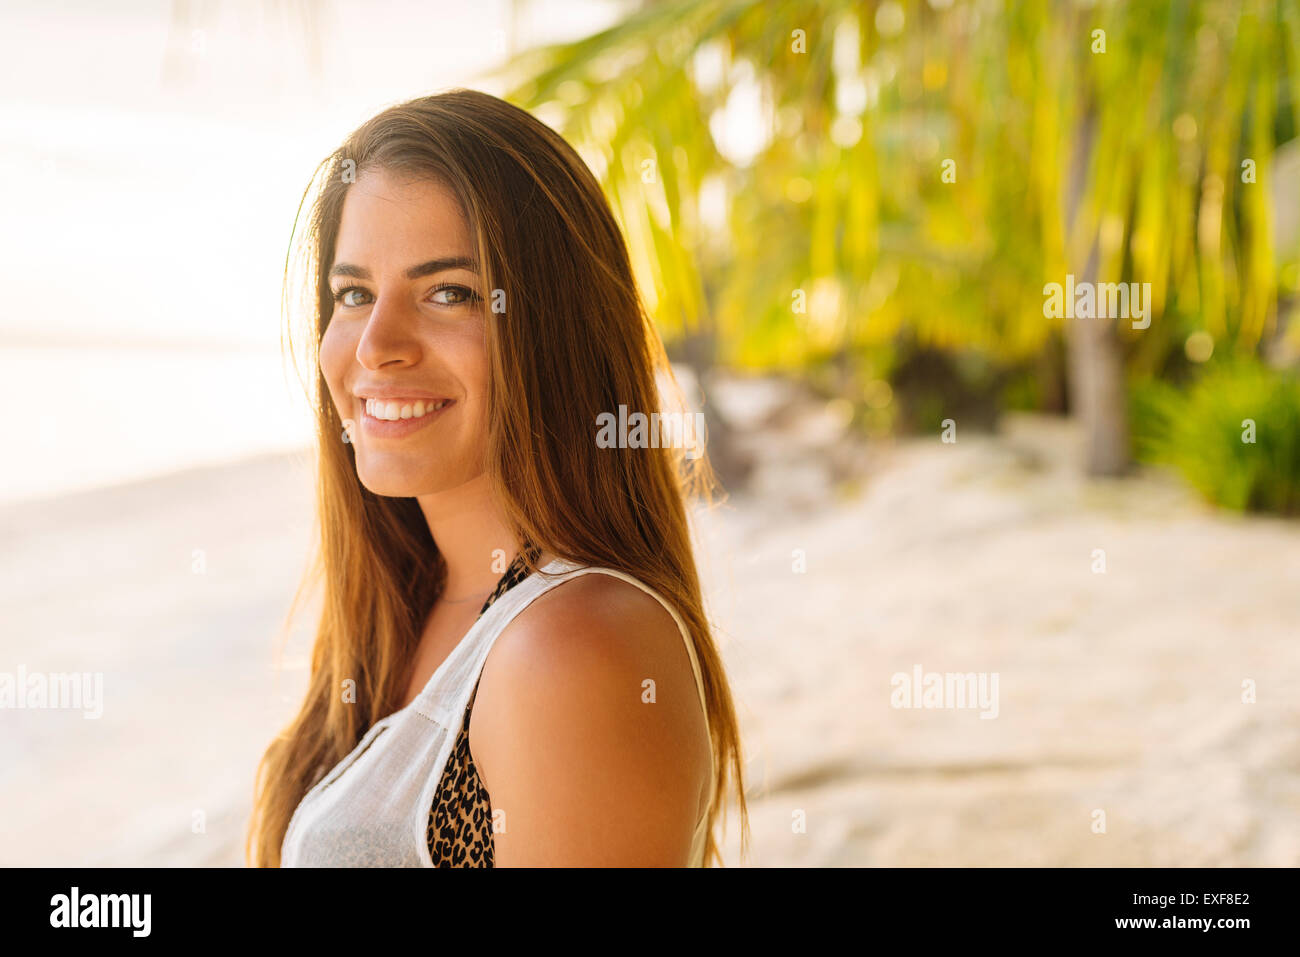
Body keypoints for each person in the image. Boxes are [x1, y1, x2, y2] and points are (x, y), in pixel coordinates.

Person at [247, 89, 748, 867]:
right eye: (353, 294)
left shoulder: (572, 645)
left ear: (553, 329)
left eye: (449, 292)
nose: (376, 344)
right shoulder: (415, 602)